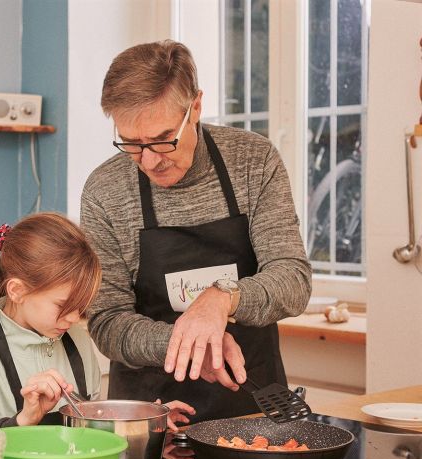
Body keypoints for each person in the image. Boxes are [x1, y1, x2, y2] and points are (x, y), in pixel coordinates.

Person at [80, 40, 311, 422]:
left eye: (162, 139)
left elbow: (293, 279)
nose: (149, 161)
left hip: (253, 409)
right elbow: (107, 321)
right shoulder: (105, 190)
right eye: (132, 144)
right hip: (150, 420)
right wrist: (188, 342)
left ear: (196, 107)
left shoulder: (253, 162)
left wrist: (221, 299)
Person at [0, 212, 196, 457]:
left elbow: (90, 435)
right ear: (17, 291)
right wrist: (23, 420)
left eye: (81, 307)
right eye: (63, 306)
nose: (74, 318)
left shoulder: (78, 340)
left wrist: (144, 423)